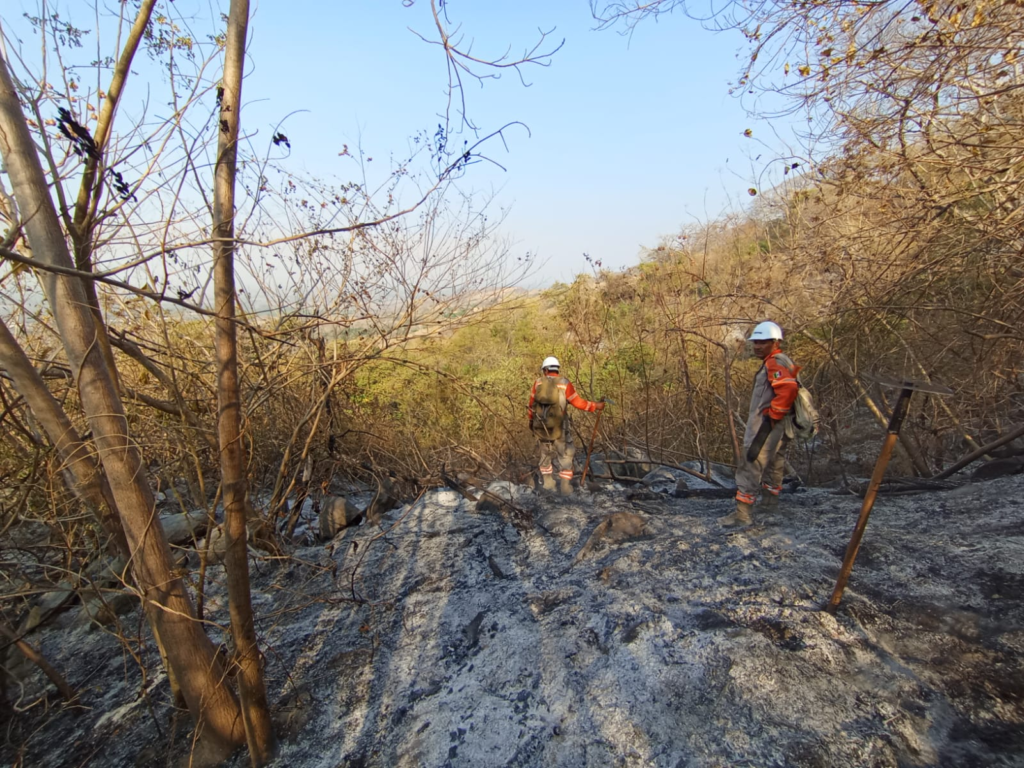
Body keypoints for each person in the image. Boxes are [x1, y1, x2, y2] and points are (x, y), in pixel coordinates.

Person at [720, 321, 800, 527]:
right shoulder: (783, 361)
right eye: (756, 342)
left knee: (751, 462)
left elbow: (788, 390)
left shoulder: (775, 363)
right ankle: (770, 503)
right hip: (782, 426)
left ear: (775, 342)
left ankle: (742, 514)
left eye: (763, 342)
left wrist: (772, 415)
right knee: (775, 462)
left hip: (768, 425)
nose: (757, 346)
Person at [528, 356, 604, 495]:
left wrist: (531, 422)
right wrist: (596, 406)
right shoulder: (564, 383)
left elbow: (531, 405)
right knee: (566, 455)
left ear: (545, 370)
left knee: (545, 455)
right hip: (560, 427)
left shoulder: (537, 383)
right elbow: (578, 402)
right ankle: (565, 487)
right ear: (557, 369)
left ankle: (548, 483)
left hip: (541, 427)